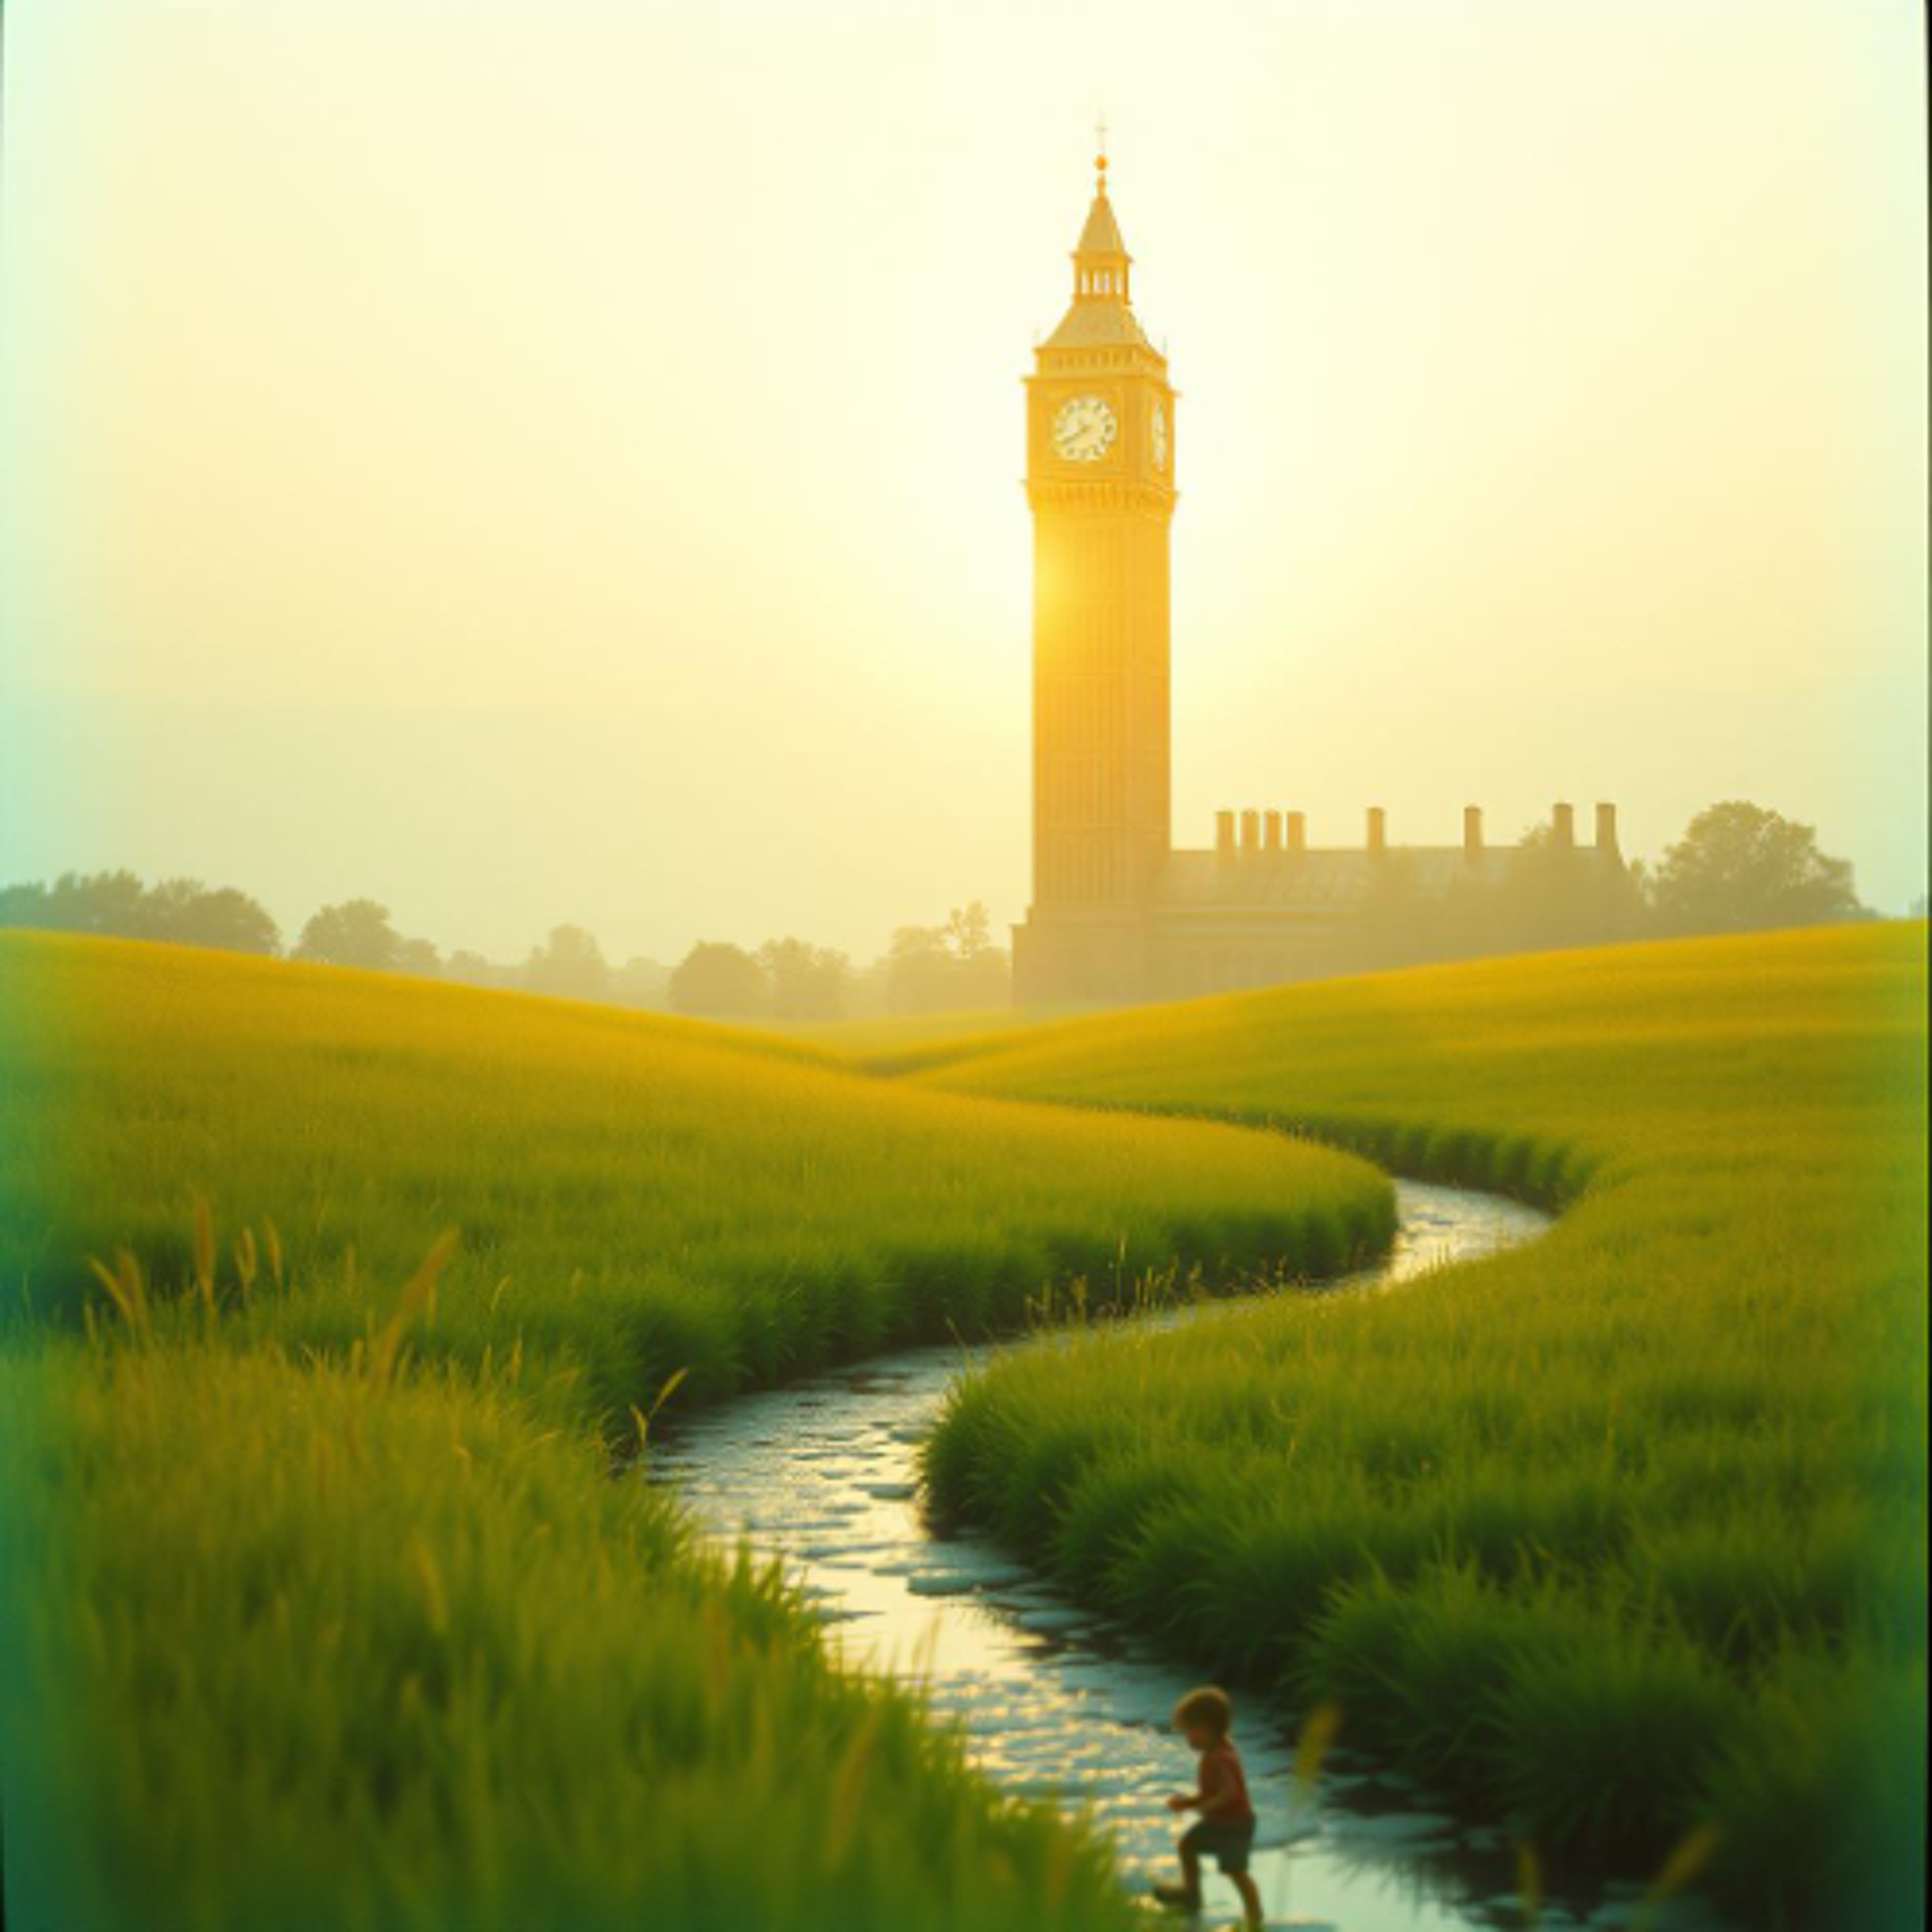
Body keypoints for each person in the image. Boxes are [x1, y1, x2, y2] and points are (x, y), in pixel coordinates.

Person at [1153, 1685, 1262, 1927]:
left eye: (1190, 1731)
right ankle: (1191, 1895)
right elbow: (1209, 1793)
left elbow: (1229, 1792)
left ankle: (1255, 1915)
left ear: (1207, 1728)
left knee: (1235, 1871)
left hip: (1235, 1825)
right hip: (1221, 1822)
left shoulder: (1222, 1757)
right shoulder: (1215, 1752)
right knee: (1187, 1845)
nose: (1187, 1738)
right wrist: (1188, 1803)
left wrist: (1207, 1806)